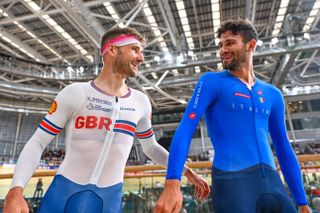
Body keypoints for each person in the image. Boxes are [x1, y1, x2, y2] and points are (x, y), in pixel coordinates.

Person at [4, 27, 210, 213]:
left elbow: (151, 148)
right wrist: (16, 190)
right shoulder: (76, 93)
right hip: (64, 193)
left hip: (109, 199)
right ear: (112, 50)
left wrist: (186, 171)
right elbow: (38, 141)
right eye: (135, 50)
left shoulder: (140, 101)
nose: (141, 58)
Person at [155, 19, 311, 213]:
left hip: (273, 184)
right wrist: (172, 181)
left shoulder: (273, 94)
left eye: (230, 43)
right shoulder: (212, 82)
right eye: (221, 45)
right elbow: (185, 130)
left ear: (250, 45)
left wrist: (302, 202)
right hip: (232, 184)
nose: (223, 50)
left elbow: (283, 148)